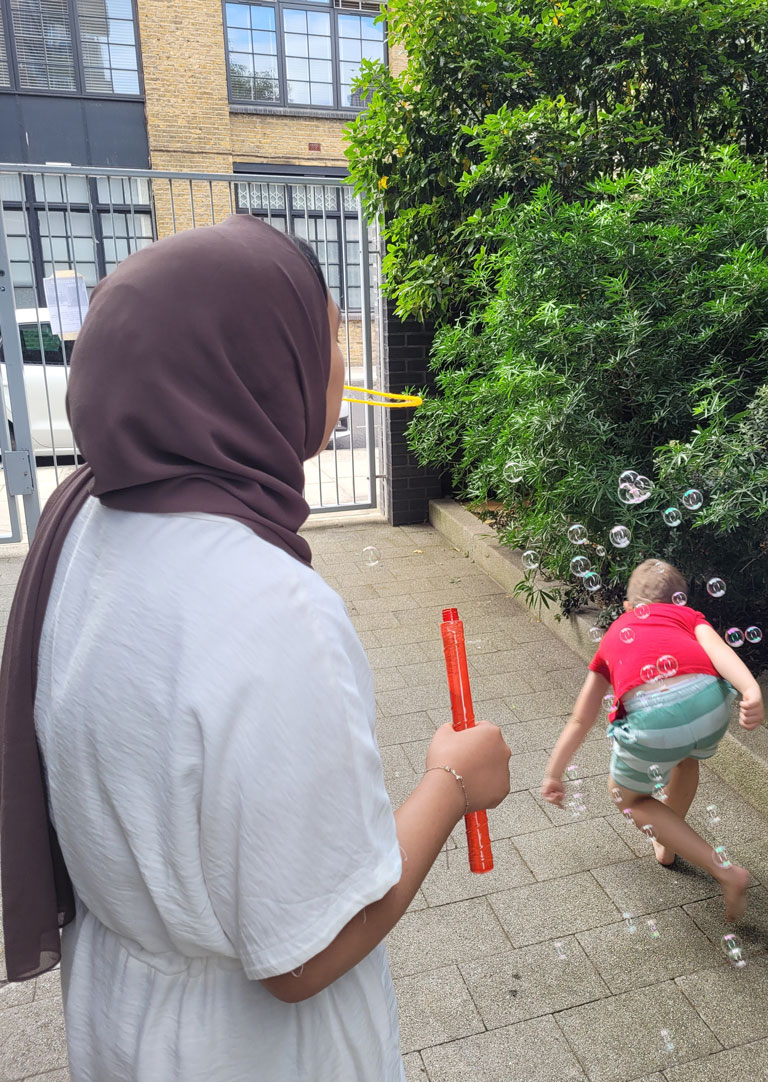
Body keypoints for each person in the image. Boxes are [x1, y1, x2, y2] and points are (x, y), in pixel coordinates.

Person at [0, 215, 511, 1082]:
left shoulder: (81, 519)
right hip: (249, 1050)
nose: (337, 364)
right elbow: (304, 952)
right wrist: (453, 782)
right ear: (257, 365)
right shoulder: (272, 608)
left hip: (118, 1011)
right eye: (325, 337)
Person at [541, 558, 763, 921]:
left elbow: (582, 718)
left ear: (628, 606)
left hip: (654, 719)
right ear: (678, 601)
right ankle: (668, 842)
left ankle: (724, 870)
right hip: (711, 705)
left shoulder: (616, 631)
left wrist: (554, 773)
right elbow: (719, 650)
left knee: (627, 796)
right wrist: (750, 690)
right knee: (686, 759)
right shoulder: (688, 616)